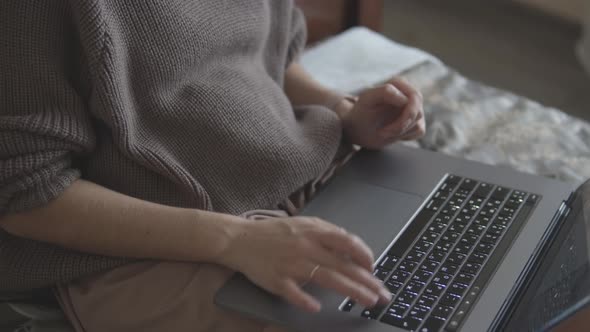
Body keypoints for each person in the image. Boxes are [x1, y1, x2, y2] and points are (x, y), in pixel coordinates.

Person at [0, 0, 425, 331]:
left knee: (452, 269)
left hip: (293, 177)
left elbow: (267, 55)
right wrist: (238, 240)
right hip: (145, 244)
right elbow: (28, 196)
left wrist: (343, 112)